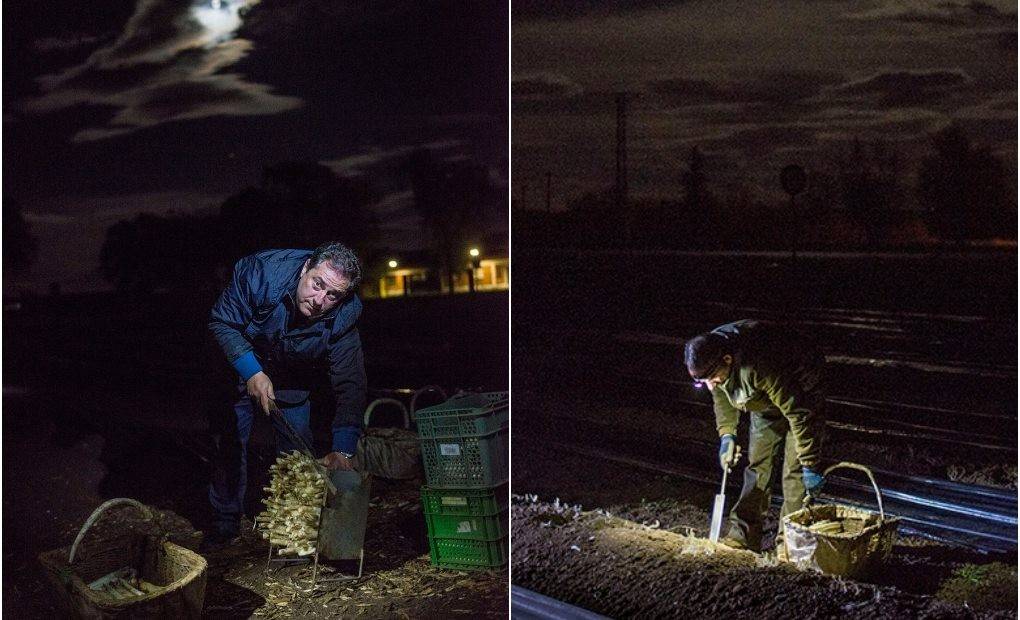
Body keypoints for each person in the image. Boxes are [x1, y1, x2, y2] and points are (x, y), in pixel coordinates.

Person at [207, 242, 367, 543]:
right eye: (317, 284)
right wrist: (252, 371)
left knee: (297, 447)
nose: (320, 299)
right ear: (306, 267)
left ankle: (293, 527)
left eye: (333, 294)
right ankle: (224, 522)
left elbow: (351, 381)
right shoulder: (262, 273)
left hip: (292, 369)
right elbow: (222, 322)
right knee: (228, 440)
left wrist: (344, 448)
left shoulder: (346, 314)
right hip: (239, 356)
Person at [684, 319, 827, 553]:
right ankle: (743, 534)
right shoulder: (711, 353)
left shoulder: (760, 363)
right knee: (758, 463)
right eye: (704, 382)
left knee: (795, 471)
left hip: (802, 391)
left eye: (712, 378)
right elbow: (722, 395)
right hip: (762, 398)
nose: (711, 385)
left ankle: (790, 544)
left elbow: (797, 413)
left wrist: (809, 462)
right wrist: (727, 435)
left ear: (728, 360)